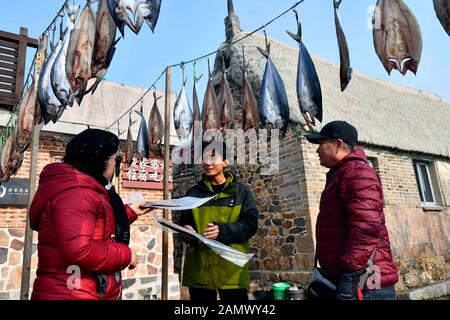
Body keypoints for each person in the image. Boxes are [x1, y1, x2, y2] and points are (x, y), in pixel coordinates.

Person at [30, 129, 152, 300]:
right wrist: (126, 254)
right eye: (113, 159)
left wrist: (129, 212)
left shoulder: (85, 189)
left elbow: (96, 222)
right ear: (99, 160)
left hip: (85, 290)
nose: (114, 165)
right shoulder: (76, 193)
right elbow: (79, 250)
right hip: (70, 292)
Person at [305, 120, 399, 300]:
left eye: (321, 144)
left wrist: (349, 275)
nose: (317, 150)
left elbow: (366, 228)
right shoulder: (342, 173)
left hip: (365, 283)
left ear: (338, 144)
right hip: (353, 279)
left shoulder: (357, 173)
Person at [179, 140, 259, 301]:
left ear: (226, 162)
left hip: (231, 274)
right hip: (199, 271)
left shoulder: (241, 193)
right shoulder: (193, 193)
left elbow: (251, 225)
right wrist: (186, 232)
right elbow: (184, 224)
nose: (208, 162)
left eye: (213, 157)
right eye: (204, 158)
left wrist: (222, 231)